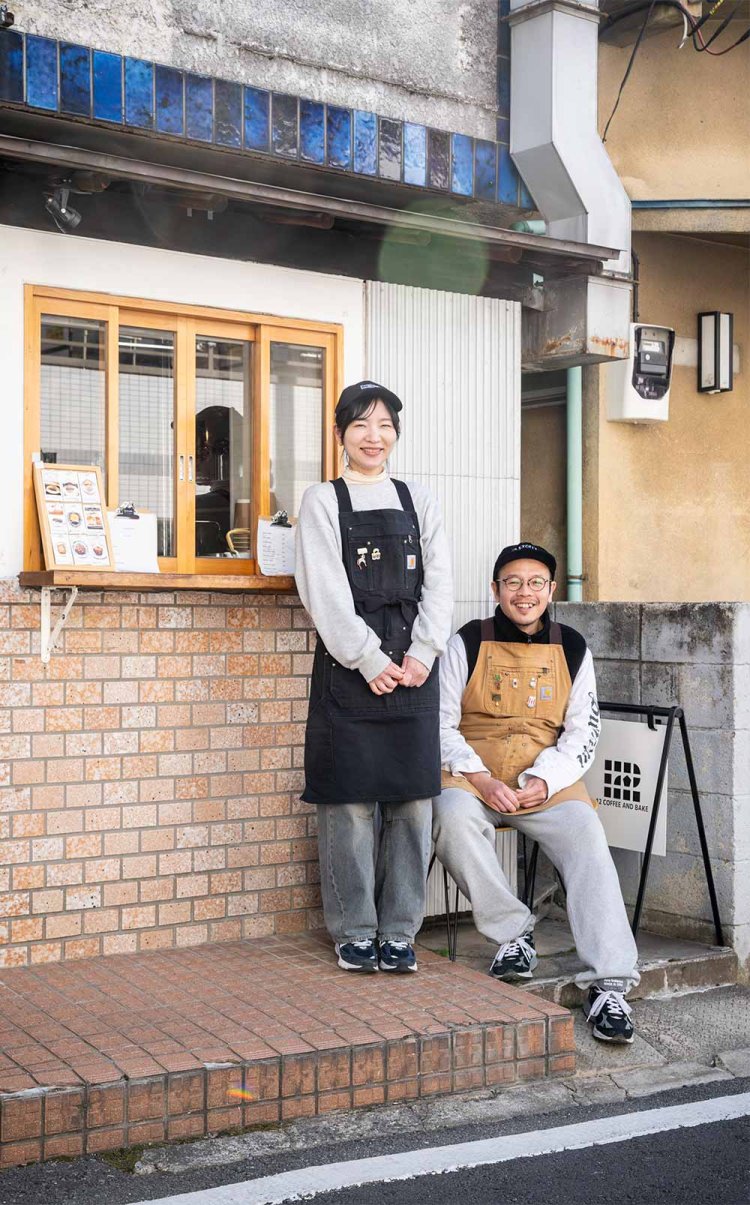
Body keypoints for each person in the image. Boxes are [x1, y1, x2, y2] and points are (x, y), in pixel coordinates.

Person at [432, 542, 639, 1042]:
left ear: (550, 590)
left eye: (535, 583)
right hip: (473, 773)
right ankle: (512, 933)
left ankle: (610, 982)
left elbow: (582, 730)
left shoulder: (572, 645)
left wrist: (544, 778)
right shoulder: (467, 641)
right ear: (496, 590)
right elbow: (438, 722)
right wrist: (479, 777)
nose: (524, 593)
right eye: (513, 583)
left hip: (546, 778)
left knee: (588, 836)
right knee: (452, 820)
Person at [296, 381, 453, 974]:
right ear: (340, 435)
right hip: (349, 665)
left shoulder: (420, 500)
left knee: (413, 805)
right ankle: (355, 929)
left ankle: (400, 929)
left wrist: (422, 653)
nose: (373, 436)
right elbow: (324, 592)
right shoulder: (322, 501)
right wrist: (368, 657)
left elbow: (441, 581)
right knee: (349, 804)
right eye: (361, 425)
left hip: (415, 666)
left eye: (385, 425)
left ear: (396, 434)